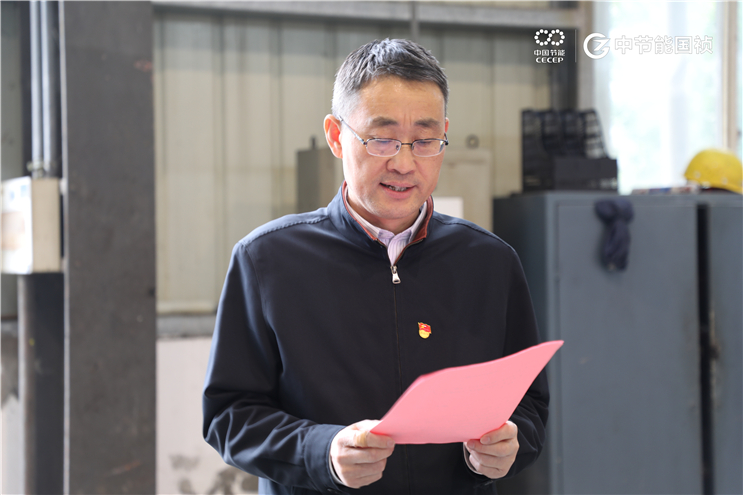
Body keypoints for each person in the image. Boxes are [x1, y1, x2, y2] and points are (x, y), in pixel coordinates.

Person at [203, 38, 549, 495]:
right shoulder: (267, 260)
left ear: (444, 135)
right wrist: (322, 452)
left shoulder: (489, 262)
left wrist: (511, 444)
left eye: (424, 141)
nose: (404, 163)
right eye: (381, 139)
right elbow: (229, 415)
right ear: (336, 136)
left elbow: (529, 404)